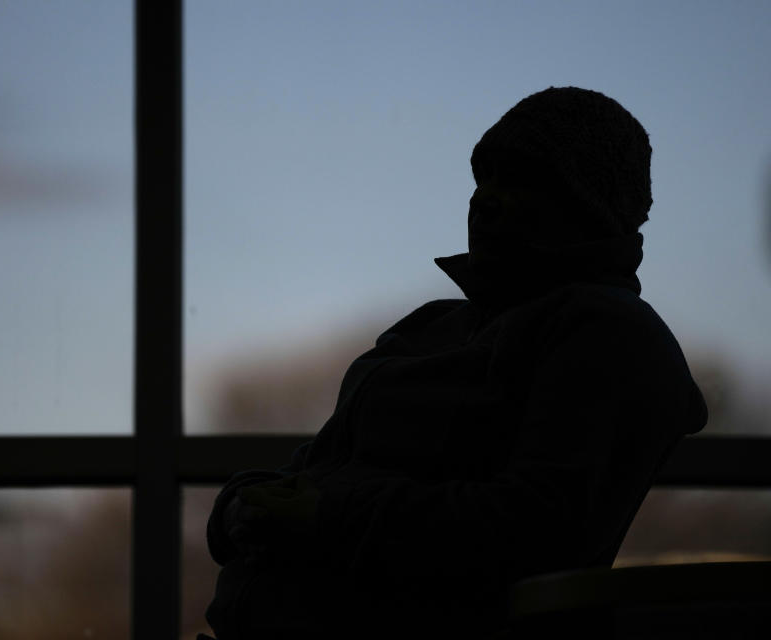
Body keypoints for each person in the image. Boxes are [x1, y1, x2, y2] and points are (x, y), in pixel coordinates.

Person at [201, 86, 708, 640]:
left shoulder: (611, 335)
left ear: (584, 202)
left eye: (520, 180)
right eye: (483, 177)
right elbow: (319, 465)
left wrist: (324, 517)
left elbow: (536, 529)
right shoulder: (433, 325)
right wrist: (238, 510)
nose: (483, 199)